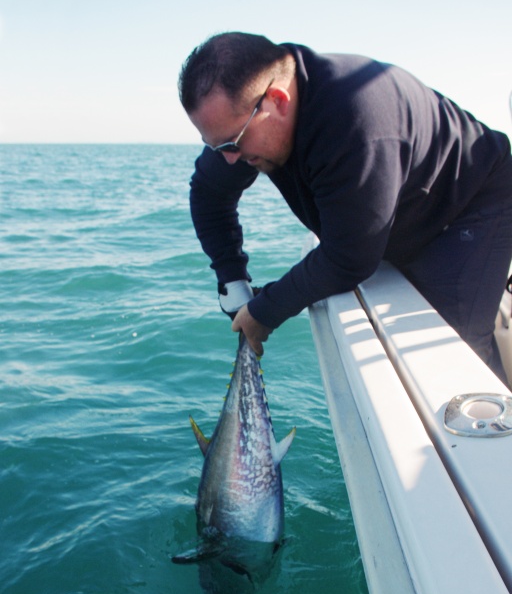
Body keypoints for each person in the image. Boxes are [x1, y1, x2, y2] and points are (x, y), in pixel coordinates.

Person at [178, 31, 512, 382]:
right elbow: (208, 196)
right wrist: (232, 280)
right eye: (217, 147)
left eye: (232, 143)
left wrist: (265, 310)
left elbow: (350, 258)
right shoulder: (245, 119)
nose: (230, 160)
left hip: (469, 204)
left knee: (452, 354)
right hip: (396, 211)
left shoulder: (356, 119)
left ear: (277, 100)